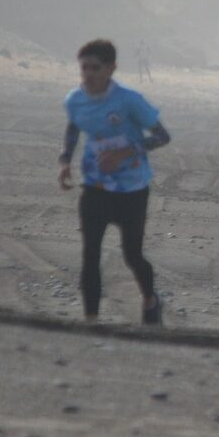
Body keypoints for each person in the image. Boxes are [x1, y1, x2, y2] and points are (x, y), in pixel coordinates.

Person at [59, 38, 171, 325]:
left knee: (132, 255)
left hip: (132, 190)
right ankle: (92, 321)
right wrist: (64, 162)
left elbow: (162, 136)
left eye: (95, 68)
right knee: (90, 254)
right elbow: (73, 128)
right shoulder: (75, 100)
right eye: (84, 68)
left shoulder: (128, 100)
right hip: (95, 189)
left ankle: (150, 300)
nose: (89, 74)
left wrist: (125, 151)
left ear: (111, 69)